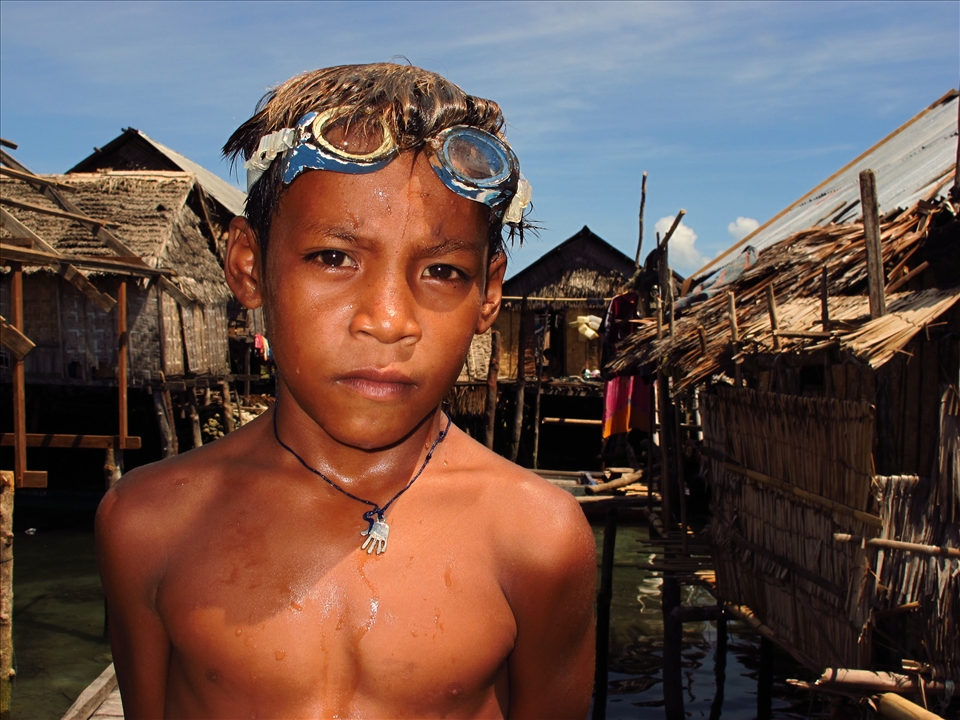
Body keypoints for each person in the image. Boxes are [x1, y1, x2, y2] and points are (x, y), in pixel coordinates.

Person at [96, 63, 596, 719]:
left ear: (489, 293)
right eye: (334, 258)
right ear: (248, 266)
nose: (388, 320)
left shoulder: (537, 539)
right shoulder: (150, 523)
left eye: (443, 271)